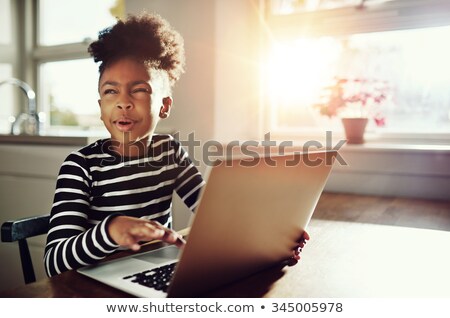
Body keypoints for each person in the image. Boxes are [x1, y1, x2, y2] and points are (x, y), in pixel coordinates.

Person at [44, 12, 307, 278]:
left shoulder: (168, 152)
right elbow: (54, 261)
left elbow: (213, 214)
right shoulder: (80, 166)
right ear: (101, 107)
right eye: (111, 91)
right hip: (91, 289)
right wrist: (110, 231)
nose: (123, 102)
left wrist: (272, 236)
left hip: (155, 272)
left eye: (140, 89)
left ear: (165, 106)